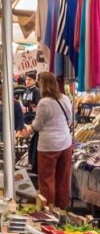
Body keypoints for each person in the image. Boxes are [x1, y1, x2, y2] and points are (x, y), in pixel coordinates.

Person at [28, 72, 73, 209]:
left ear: (43, 85)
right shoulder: (65, 99)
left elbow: (37, 125)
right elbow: (70, 120)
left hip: (48, 146)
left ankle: (49, 211)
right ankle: (61, 210)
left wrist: (30, 126)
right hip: (65, 143)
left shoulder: (44, 103)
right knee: (62, 179)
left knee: (47, 180)